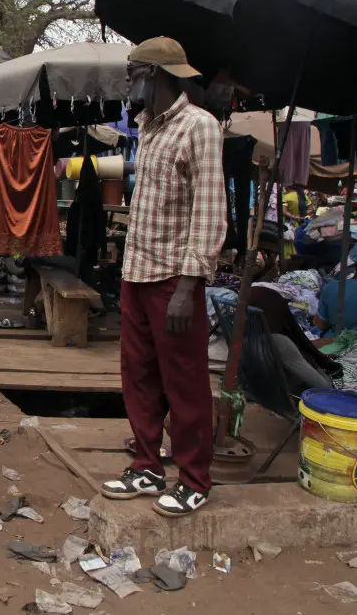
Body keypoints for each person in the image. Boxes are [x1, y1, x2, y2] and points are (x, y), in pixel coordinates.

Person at [100, 37, 226, 518]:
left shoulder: (199, 127)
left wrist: (189, 286)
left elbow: (210, 212)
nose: (128, 83)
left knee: (186, 381)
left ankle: (195, 479)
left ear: (154, 75)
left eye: (132, 74)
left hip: (175, 280)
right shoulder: (148, 127)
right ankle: (148, 465)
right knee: (139, 375)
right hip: (138, 272)